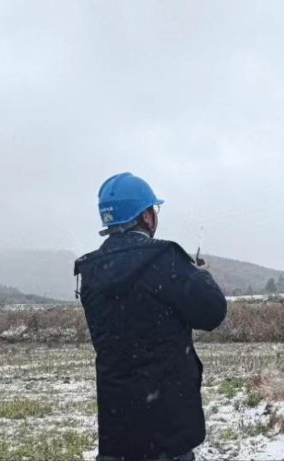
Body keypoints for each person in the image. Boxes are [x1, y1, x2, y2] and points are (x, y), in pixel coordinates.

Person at [74, 172, 227, 461]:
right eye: (153, 210)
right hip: (167, 431)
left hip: (117, 429)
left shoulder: (91, 272)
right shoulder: (165, 260)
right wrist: (199, 274)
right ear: (145, 216)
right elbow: (213, 312)